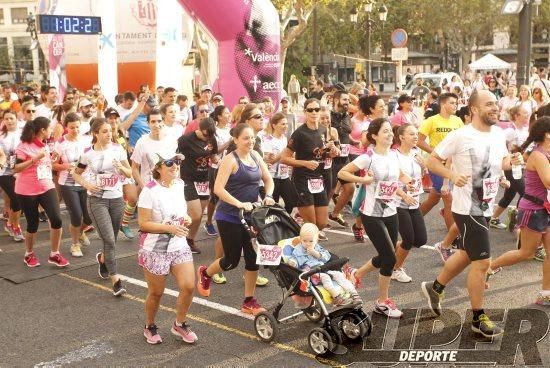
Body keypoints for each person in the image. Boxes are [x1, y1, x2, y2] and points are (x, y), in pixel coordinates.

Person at [421, 90, 523, 338]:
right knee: (482, 262)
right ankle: (478, 318)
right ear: (474, 109)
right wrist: (452, 175)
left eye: (496, 104)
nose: (495, 108)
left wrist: (511, 163)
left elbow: (501, 162)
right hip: (468, 209)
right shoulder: (461, 136)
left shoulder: (498, 134)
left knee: (467, 254)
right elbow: (432, 161)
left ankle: (435, 288)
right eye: (489, 104)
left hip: (486, 205)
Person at [338, 118, 417, 318]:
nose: (390, 134)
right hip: (372, 215)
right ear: (374, 136)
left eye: (391, 131)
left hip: (391, 213)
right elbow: (343, 172)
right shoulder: (368, 158)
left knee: (385, 256)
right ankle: (382, 302)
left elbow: (395, 179)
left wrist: (405, 190)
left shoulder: (392, 155)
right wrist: (362, 179)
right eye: (385, 131)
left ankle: (357, 274)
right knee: (390, 257)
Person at [196, 123, 275, 315]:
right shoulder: (230, 160)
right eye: (246, 138)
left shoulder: (256, 156)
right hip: (229, 216)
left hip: (251, 216)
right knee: (231, 261)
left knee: (253, 258)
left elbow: (268, 179)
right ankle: (205, 273)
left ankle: (249, 301)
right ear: (236, 139)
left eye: (252, 138)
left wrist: (268, 195)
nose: (250, 141)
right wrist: (239, 203)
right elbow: (218, 189)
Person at [487, 117, 549, 303]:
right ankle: (488, 267)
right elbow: (548, 181)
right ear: (547, 135)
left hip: (545, 209)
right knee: (527, 253)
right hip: (534, 209)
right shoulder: (538, 155)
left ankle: (545, 294)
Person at [137, 153, 198, 345]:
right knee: (156, 293)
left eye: (178, 162)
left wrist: (186, 218)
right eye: (170, 162)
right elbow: (143, 224)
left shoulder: (180, 185)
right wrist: (169, 228)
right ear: (158, 168)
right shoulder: (149, 190)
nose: (175, 166)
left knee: (188, 285)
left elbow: (181, 213)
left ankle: (179, 324)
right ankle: (150, 326)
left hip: (178, 245)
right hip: (155, 248)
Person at [73, 118, 133, 296]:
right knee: (108, 239)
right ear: (95, 134)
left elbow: (130, 172)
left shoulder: (118, 149)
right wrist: (87, 185)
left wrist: (121, 167)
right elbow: (76, 173)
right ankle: (116, 280)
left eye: (110, 130)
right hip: (97, 200)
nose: (109, 134)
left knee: (111, 241)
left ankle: (102, 259)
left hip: (116, 199)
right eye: (105, 131)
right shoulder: (87, 153)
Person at [14, 117, 68, 268]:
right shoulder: (23, 146)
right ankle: (29, 254)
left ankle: (55, 253)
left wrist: (52, 159)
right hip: (26, 190)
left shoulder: (45, 144)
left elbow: (45, 165)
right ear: (42, 130)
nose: (51, 130)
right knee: (33, 224)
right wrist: (34, 159)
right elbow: (16, 168)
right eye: (49, 128)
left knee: (57, 219)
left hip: (46, 186)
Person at [281, 98, 338, 240]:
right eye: (310, 110)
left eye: (316, 109)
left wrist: (332, 152)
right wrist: (305, 163)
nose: (314, 112)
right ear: (305, 112)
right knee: (312, 225)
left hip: (319, 180)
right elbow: (284, 158)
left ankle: (301, 228)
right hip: (302, 179)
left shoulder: (324, 131)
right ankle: (306, 250)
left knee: (322, 223)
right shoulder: (299, 133)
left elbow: (325, 155)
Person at [417, 93, 463, 230]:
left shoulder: (457, 121)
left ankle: (413, 220)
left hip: (453, 164)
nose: (455, 105)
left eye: (456, 103)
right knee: (449, 198)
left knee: (434, 199)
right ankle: (453, 237)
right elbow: (419, 141)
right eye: (452, 103)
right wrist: (436, 154)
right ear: (443, 104)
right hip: (436, 165)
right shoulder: (431, 121)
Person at [288, 223, 362, 306]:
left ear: (316, 240)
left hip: (324, 268)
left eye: (311, 241)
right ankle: (337, 297)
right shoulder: (299, 250)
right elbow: (295, 259)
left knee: (339, 275)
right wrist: (293, 262)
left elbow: (327, 256)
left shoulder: (317, 247)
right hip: (312, 272)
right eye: (304, 241)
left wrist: (316, 254)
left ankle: (354, 294)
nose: (308, 243)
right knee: (326, 278)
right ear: (301, 239)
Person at [52, 113, 93, 257]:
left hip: (85, 181)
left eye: (77, 127)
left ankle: (81, 231)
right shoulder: (60, 143)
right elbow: (53, 164)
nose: (75, 130)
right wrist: (66, 166)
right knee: (76, 214)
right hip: (68, 183)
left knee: (89, 217)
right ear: (65, 127)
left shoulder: (87, 141)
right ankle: (75, 244)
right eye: (72, 127)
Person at [391, 123, 428, 283]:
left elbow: (422, 177)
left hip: (414, 202)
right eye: (412, 134)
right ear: (401, 137)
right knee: (408, 239)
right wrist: (404, 194)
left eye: (416, 134)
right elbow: (391, 181)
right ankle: (395, 269)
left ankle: (392, 251)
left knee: (420, 240)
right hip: (398, 202)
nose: (415, 137)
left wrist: (424, 166)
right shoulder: (394, 156)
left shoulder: (416, 153)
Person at [177, 117, 218, 254]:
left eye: (210, 135)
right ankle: (178, 238)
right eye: (206, 134)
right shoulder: (185, 140)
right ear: (199, 129)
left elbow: (213, 155)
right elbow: (175, 155)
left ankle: (190, 239)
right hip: (188, 178)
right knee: (195, 214)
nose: (208, 138)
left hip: (204, 180)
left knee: (199, 216)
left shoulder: (211, 139)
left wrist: (217, 160)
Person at [489, 106, 528, 230]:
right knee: (526, 194)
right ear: (516, 116)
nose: (527, 115)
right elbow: (497, 143)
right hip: (510, 166)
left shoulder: (525, 129)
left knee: (509, 194)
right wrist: (507, 155)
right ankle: (518, 221)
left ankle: (493, 218)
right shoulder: (511, 130)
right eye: (525, 113)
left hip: (520, 165)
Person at [263, 112, 295, 214]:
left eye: (286, 124)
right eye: (282, 124)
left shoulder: (285, 139)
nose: (285, 126)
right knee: (273, 206)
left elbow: (289, 157)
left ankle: (283, 222)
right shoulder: (268, 140)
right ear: (274, 125)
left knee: (291, 203)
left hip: (284, 176)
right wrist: (284, 153)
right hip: (272, 178)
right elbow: (270, 161)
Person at [0, 109, 24, 241]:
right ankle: (16, 226)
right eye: (6, 118)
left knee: (20, 200)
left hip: (21, 171)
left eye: (11, 118)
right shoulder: (1, 137)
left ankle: (10, 223)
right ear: (3, 120)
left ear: (16, 119)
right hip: (4, 172)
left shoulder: (23, 134)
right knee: (16, 198)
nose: (9, 121)